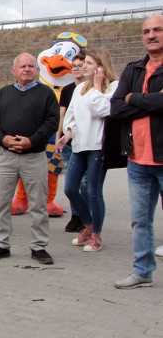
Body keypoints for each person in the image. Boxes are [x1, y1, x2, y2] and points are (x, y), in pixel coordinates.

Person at [0, 53, 60, 264]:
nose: (27, 69)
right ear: (13, 70)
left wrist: (32, 140)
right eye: (22, 66)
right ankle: (1, 244)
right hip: (5, 157)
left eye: (31, 66)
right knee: (1, 203)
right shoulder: (2, 94)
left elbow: (52, 121)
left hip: (33, 157)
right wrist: (3, 138)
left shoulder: (46, 94)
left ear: (36, 70)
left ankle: (39, 246)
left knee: (38, 205)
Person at [109, 15, 163, 289]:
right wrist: (152, 102)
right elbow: (116, 107)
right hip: (137, 160)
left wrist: (135, 98)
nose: (151, 35)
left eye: (157, 30)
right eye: (146, 31)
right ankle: (143, 271)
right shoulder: (133, 70)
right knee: (140, 221)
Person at [55, 48, 118, 253]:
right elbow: (71, 114)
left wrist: (98, 87)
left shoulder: (113, 87)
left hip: (98, 146)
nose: (84, 67)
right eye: (84, 64)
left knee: (93, 191)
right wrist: (68, 132)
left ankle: (96, 235)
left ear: (100, 66)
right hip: (80, 145)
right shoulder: (80, 87)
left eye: (89, 63)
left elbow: (101, 110)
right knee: (70, 188)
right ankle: (88, 225)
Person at [57, 51, 87, 233]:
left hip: (87, 143)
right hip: (68, 143)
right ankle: (76, 216)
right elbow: (63, 115)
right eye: (73, 66)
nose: (75, 69)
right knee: (72, 182)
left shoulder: (93, 88)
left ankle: (87, 218)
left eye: (79, 65)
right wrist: (58, 136)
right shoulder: (67, 90)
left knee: (86, 183)